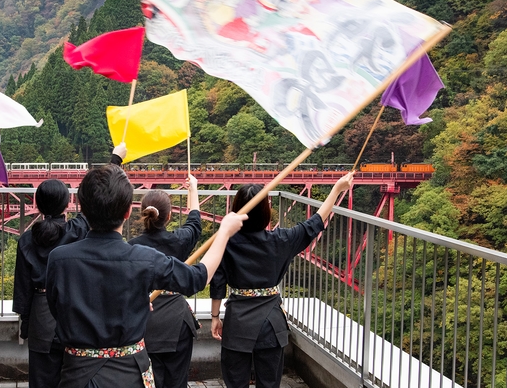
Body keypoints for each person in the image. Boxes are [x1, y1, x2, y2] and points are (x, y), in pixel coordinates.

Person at [45, 164, 247, 388]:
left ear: (82, 209)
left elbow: (59, 308)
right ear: (127, 212)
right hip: (128, 375)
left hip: (76, 375)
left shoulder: (59, 259)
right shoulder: (143, 259)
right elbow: (197, 278)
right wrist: (224, 233)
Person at [210, 173, 354, 388]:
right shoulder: (281, 240)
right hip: (271, 322)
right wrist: (336, 189)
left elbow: (218, 282)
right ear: (266, 211)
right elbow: (314, 223)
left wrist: (214, 317)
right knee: (269, 383)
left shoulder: (225, 243)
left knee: (234, 381)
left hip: (238, 321)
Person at [13, 145, 126, 387]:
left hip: (40, 319)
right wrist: (115, 160)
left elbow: (22, 289)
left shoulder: (26, 240)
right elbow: (101, 195)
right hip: (75, 312)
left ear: (38, 204)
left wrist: (26, 323)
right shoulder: (78, 230)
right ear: (67, 204)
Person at [128, 176, 203, 388]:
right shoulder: (179, 241)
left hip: (143, 321)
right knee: (176, 382)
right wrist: (193, 190)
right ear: (169, 216)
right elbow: (194, 222)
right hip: (177, 323)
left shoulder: (132, 248)